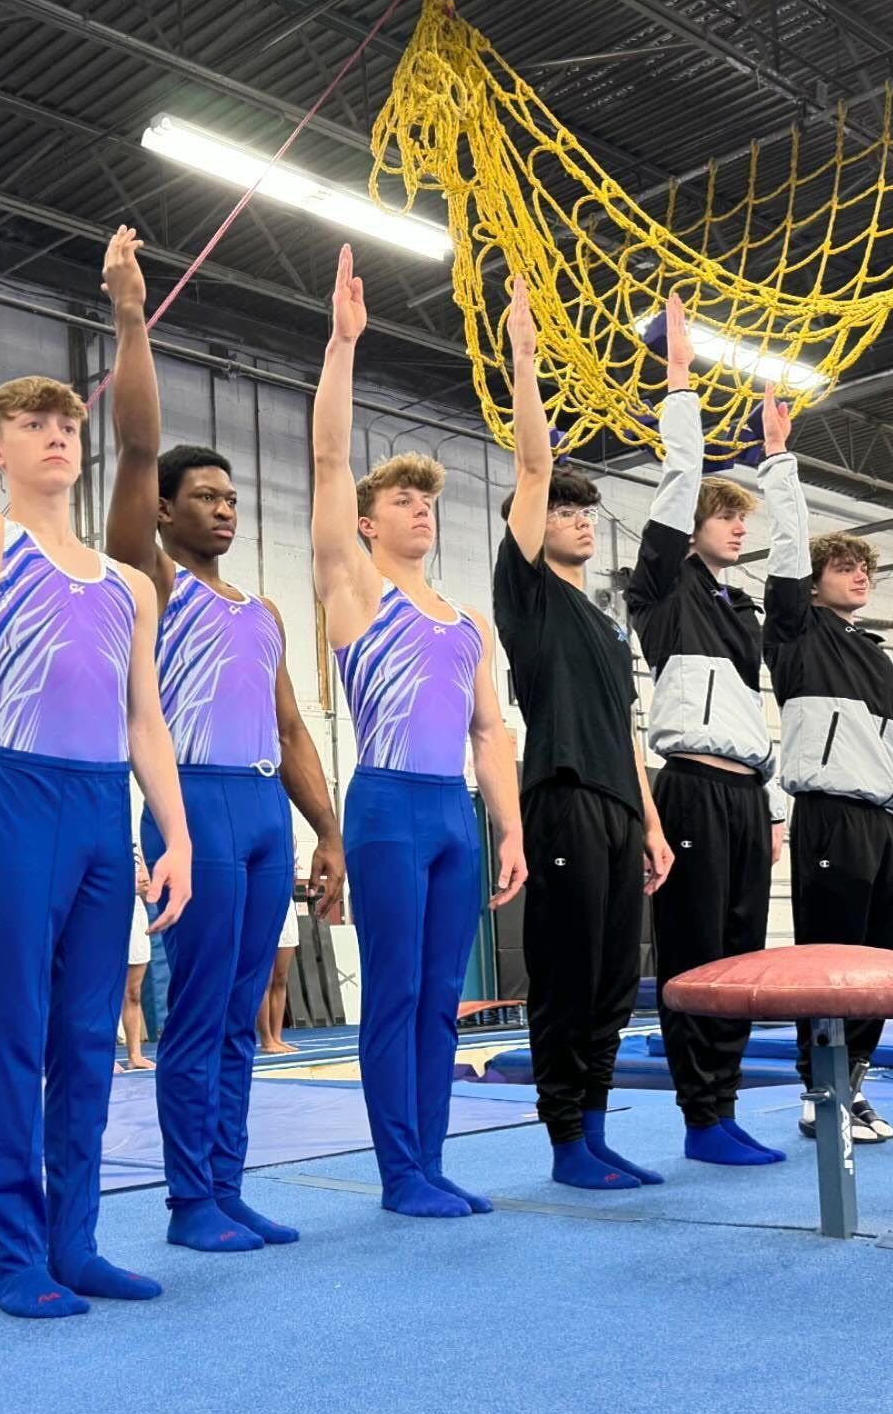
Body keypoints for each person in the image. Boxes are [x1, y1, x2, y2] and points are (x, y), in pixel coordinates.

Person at [0, 102, 192, 1317]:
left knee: (89, 1040)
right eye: (38, 426)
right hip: (18, 797)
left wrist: (168, 832)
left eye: (70, 424)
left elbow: (145, 724)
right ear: (1, 453)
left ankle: (74, 1240)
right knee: (12, 1037)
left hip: (100, 809)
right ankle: (16, 1253)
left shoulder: (129, 583)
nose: (61, 438)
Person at [104, 242, 345, 1253]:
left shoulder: (265, 611)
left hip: (259, 811)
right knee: (197, 1014)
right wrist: (130, 321)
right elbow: (134, 447)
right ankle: (188, 1202)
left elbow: (291, 729)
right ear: (163, 512)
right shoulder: (149, 579)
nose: (225, 507)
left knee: (246, 1010)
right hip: (191, 803)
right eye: (205, 496)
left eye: (233, 497)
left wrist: (328, 832)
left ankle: (230, 1186)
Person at [311, 245, 525, 1219]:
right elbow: (324, 458)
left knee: (442, 999)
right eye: (402, 499)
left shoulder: (463, 620)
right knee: (394, 993)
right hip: (389, 804)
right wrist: (343, 344)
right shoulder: (354, 591)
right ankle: (400, 1174)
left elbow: (490, 734)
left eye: (430, 501)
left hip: (453, 812)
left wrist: (511, 827)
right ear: (364, 521)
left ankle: (432, 1162)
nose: (421, 511)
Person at [496, 276, 673, 1191]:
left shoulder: (606, 625)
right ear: (533, 530)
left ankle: (597, 1131)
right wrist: (525, 362)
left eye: (587, 510)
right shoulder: (526, 596)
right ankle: (566, 1141)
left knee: (612, 980)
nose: (581, 519)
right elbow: (531, 470)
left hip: (615, 804)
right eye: (567, 510)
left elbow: (626, 726)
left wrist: (649, 822)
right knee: (566, 978)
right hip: (560, 801)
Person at [626, 293, 787, 1167]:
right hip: (686, 784)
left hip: (745, 795)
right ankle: (699, 1117)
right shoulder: (661, 588)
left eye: (743, 516)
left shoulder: (743, 608)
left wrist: (779, 463)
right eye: (727, 515)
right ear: (690, 528)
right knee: (693, 955)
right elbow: (676, 479)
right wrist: (679, 378)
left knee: (741, 957)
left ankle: (722, 1107)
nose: (737, 523)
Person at [761, 387, 893, 1144]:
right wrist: (779, 460)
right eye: (845, 567)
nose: (859, 575)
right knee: (828, 963)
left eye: (866, 568)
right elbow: (789, 550)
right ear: (814, 581)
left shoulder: (878, 660)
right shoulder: (796, 633)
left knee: (879, 969)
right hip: (828, 816)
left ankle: (854, 1086)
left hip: (885, 827)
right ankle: (814, 1090)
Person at [119, 848, 155, 1072]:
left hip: (135, 915)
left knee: (133, 993)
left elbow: (146, 886)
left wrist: (146, 885)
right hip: (104, 913)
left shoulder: (136, 840)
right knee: (100, 994)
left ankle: (135, 1055)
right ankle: (102, 1056)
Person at [258, 884, 301, 1056]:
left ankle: (277, 1037)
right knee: (264, 980)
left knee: (281, 978)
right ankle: (266, 1039)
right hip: (262, 903)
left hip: (286, 906)